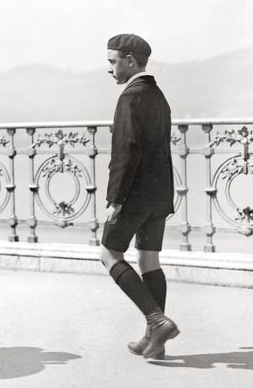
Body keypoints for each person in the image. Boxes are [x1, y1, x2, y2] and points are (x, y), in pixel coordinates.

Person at [99, 33, 179, 360]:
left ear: (130, 61)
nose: (110, 69)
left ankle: (157, 321)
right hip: (158, 196)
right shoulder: (158, 95)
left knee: (109, 255)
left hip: (133, 196)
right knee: (149, 260)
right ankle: (153, 340)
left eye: (113, 61)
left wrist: (115, 199)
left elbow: (126, 152)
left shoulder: (130, 97)